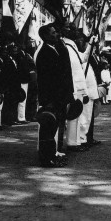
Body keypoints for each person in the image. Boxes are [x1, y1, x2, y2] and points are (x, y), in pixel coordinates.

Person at [34, 24, 74, 167]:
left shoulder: (54, 50)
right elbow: (45, 80)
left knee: (53, 129)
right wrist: (47, 101)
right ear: (45, 36)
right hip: (51, 98)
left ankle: (51, 155)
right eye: (53, 32)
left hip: (58, 97)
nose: (57, 34)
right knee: (47, 130)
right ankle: (46, 158)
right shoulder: (44, 53)